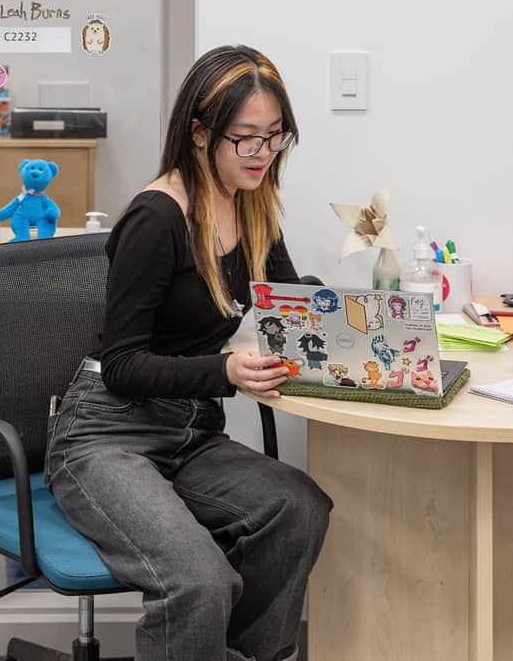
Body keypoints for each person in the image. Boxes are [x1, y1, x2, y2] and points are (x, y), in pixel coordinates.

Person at [45, 45, 332, 661]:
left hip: (190, 432)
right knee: (199, 581)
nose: (262, 155)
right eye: (246, 138)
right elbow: (123, 366)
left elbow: (280, 296)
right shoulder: (158, 218)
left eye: (275, 138)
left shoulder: (250, 203)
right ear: (201, 132)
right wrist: (225, 370)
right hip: (106, 435)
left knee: (298, 508)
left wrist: (343, 311)